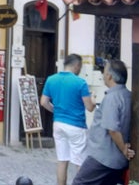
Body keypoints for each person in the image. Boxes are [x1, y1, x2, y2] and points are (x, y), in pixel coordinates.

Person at [72, 59, 134, 185]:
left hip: (103, 157)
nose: (103, 75)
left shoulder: (112, 98)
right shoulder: (127, 95)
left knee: (79, 183)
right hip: (114, 159)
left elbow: (112, 128)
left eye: (104, 72)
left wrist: (123, 149)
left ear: (109, 76)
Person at [40, 53, 96, 185]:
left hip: (58, 123)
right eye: (80, 67)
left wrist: (56, 110)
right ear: (77, 66)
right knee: (80, 162)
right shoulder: (80, 83)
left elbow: (43, 102)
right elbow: (89, 107)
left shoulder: (51, 79)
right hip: (76, 125)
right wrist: (93, 98)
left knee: (62, 160)